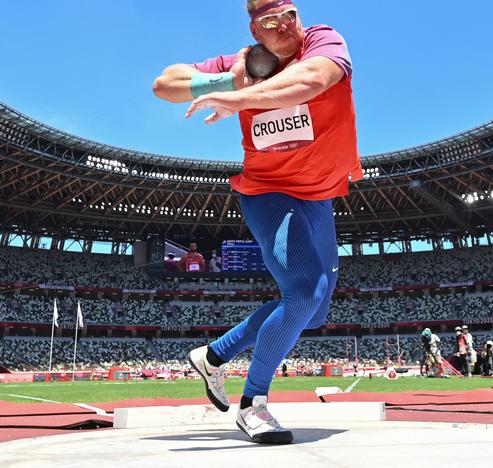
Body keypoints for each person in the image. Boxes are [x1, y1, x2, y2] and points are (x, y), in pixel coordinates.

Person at [154, 0, 362, 444]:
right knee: (303, 290)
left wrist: (240, 97)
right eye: (271, 22)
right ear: (254, 28)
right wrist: (226, 79)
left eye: (290, 14)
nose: (286, 26)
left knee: (313, 310)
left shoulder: (323, 41)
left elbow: (312, 80)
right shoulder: (240, 63)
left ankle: (214, 355)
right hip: (268, 192)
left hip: (319, 196)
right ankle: (255, 404)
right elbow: (164, 84)